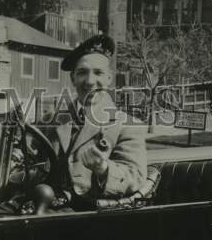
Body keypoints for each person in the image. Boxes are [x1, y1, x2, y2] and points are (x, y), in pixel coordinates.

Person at [50, 33, 147, 210]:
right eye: (82, 73)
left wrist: (104, 168)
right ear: (72, 78)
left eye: (98, 73)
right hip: (43, 207)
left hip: (91, 216)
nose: (89, 81)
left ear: (109, 79)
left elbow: (135, 177)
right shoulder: (51, 120)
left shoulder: (127, 126)